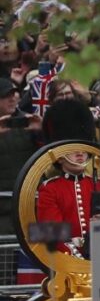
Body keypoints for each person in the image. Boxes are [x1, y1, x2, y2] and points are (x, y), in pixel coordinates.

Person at [35, 98, 99, 257]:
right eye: (72, 149)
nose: (80, 152)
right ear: (59, 157)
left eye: (83, 147)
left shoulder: (99, 185)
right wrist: (79, 258)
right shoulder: (49, 189)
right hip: (65, 263)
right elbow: (52, 237)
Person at [0, 77, 40, 235]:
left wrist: (43, 129)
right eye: (5, 96)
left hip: (32, 203)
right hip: (3, 209)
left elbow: (51, 157)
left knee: (43, 246)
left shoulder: (29, 122)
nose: (12, 99)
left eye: (13, 94)